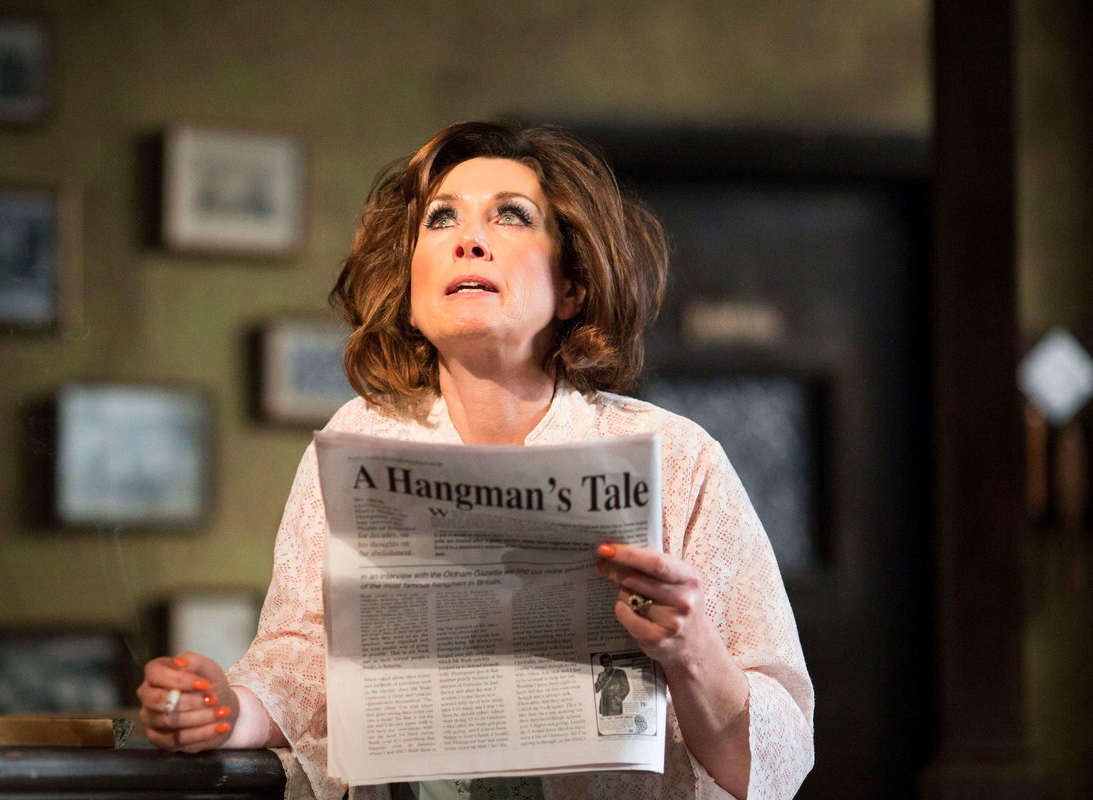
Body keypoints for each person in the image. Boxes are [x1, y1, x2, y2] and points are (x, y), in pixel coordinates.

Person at [137, 120, 814, 800]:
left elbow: (776, 765)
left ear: (572, 286)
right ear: (411, 288)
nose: (468, 240)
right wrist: (226, 711)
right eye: (441, 219)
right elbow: (305, 664)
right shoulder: (358, 438)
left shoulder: (678, 456)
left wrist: (691, 649)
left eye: (510, 216)